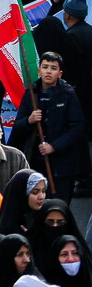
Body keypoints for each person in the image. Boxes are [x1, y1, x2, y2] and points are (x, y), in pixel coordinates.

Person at [9, 51, 86, 202]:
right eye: (45, 67)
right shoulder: (31, 93)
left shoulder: (68, 95)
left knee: (59, 207)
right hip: (35, 164)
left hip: (62, 167)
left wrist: (54, 146)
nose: (48, 71)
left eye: (53, 68)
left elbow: (78, 129)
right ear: (39, 71)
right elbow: (17, 128)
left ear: (60, 73)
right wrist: (29, 120)